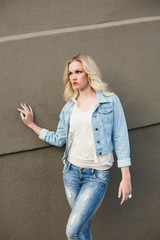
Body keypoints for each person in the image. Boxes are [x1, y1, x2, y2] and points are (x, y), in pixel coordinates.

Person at [17, 54, 132, 240]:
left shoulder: (110, 101)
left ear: (89, 73)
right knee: (82, 229)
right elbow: (59, 139)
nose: (74, 77)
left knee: (72, 230)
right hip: (71, 173)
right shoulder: (69, 108)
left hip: (97, 175)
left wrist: (126, 177)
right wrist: (31, 124)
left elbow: (121, 139)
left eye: (79, 72)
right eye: (70, 73)